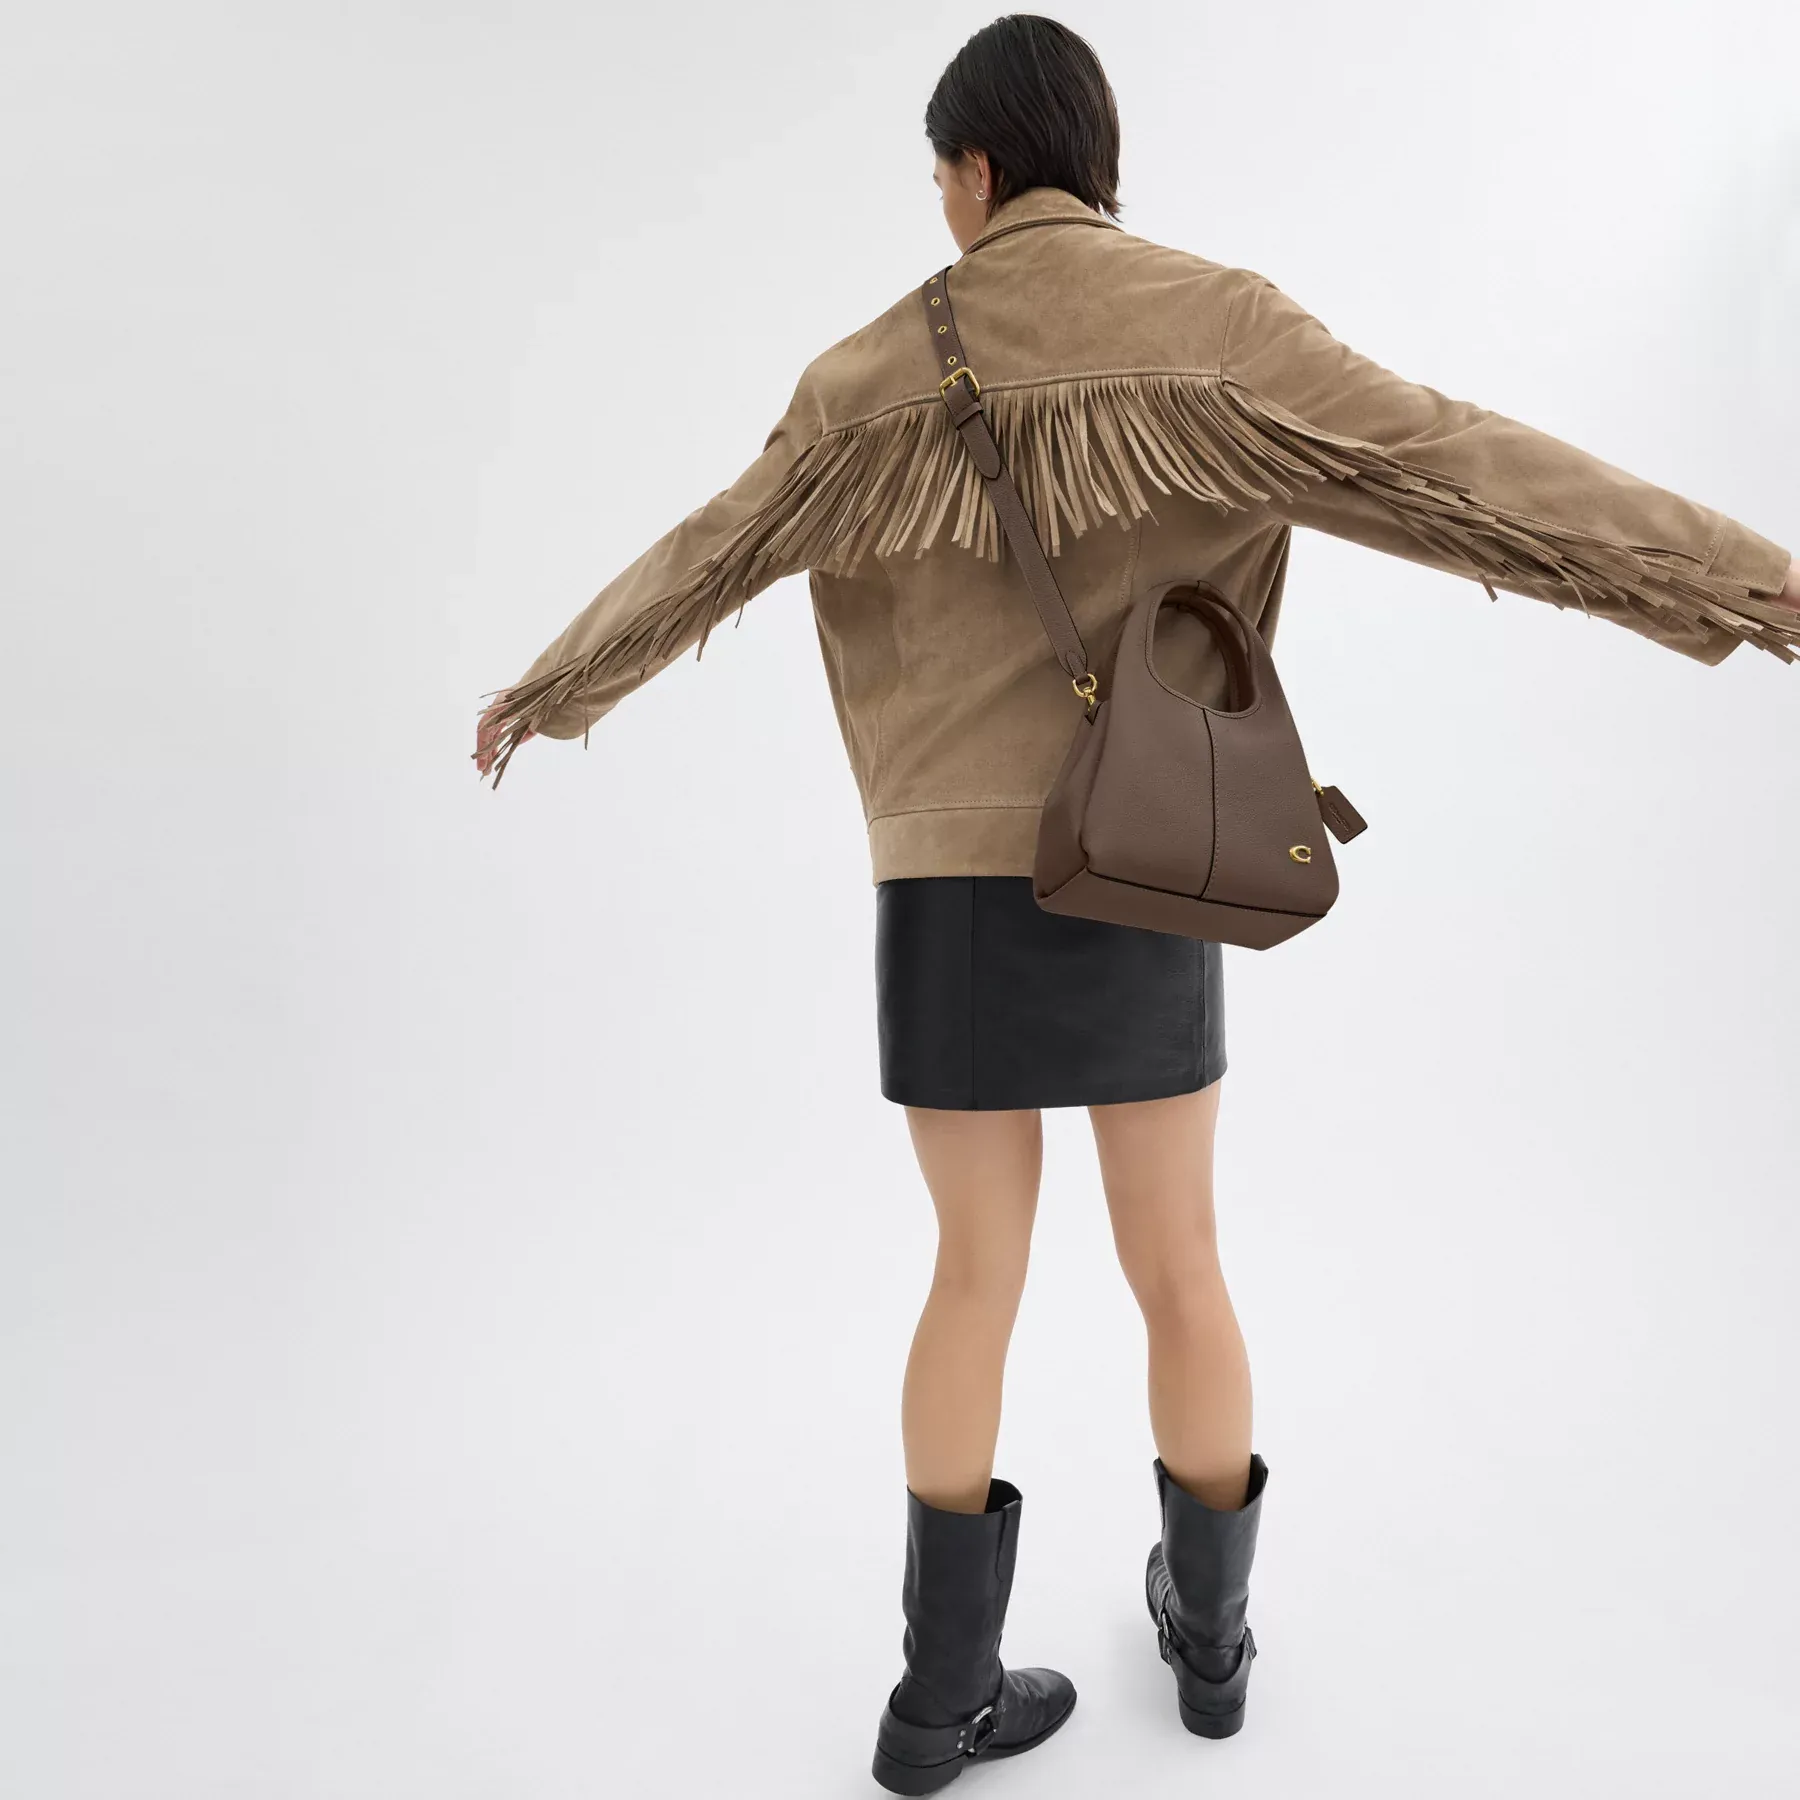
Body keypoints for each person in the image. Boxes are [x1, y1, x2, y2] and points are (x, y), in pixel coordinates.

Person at [474, 14, 1799, 1793]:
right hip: (1145, 856)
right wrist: (1747, 583)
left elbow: (710, 551)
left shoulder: (862, 378)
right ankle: (1215, 1648)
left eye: (939, 179)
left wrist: (551, 688)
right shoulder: (1216, 327)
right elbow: (1461, 465)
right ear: (1095, 159)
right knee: (1180, 1262)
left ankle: (940, 1701)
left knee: (970, 1274)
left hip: (946, 882)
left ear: (972, 170)